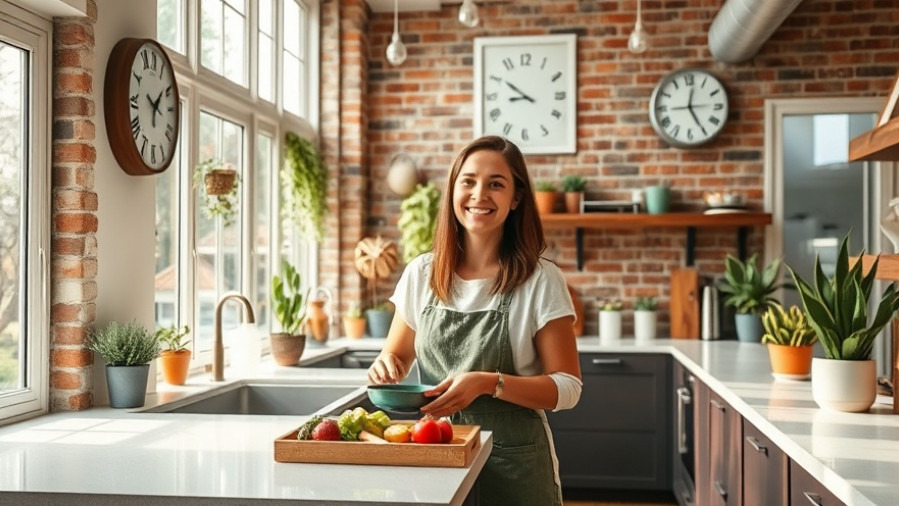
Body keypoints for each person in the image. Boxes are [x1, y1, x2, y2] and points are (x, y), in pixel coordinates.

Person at [368, 136, 583, 505]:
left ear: (516, 198)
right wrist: (387, 365)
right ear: (453, 189)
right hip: (436, 450)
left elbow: (567, 388)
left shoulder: (541, 280)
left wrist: (488, 383)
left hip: (517, 462)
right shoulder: (422, 273)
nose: (479, 194)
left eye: (496, 184)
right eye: (468, 181)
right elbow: (397, 357)